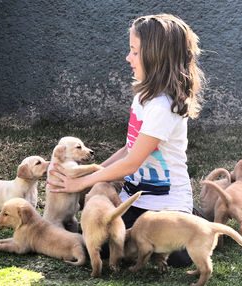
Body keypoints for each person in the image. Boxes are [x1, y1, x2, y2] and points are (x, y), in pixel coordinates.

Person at [48, 13, 204, 267]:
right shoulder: (144, 95)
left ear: (155, 57)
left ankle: (194, 221)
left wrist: (84, 182)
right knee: (99, 243)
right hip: (133, 200)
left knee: (173, 256)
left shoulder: (163, 106)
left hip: (165, 205)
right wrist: (96, 172)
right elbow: (128, 148)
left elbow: (131, 163)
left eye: (134, 51)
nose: (127, 58)